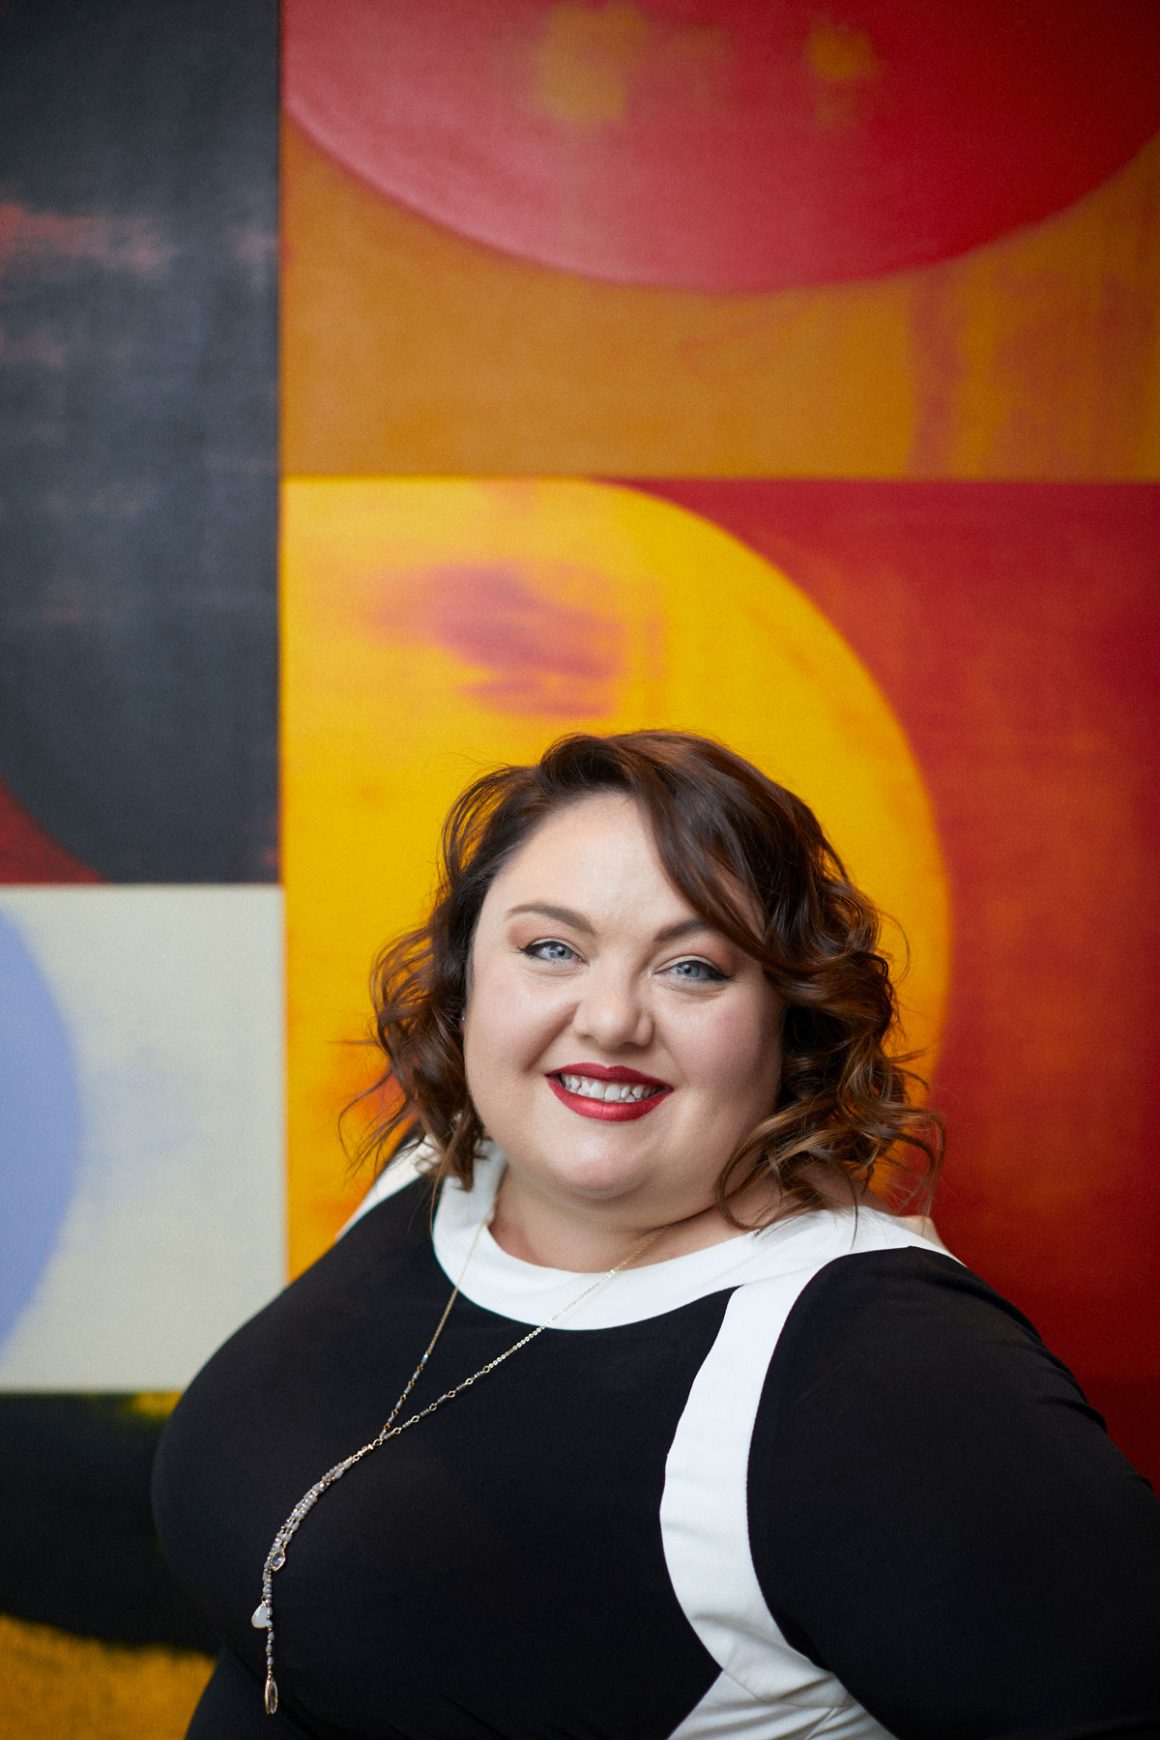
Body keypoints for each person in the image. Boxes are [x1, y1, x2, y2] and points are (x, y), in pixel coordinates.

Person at [153, 729, 1160, 1739]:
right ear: (466, 981)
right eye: (551, 948)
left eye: (690, 968)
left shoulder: (882, 1365)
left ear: (788, 1019)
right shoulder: (444, 1168)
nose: (608, 1020)